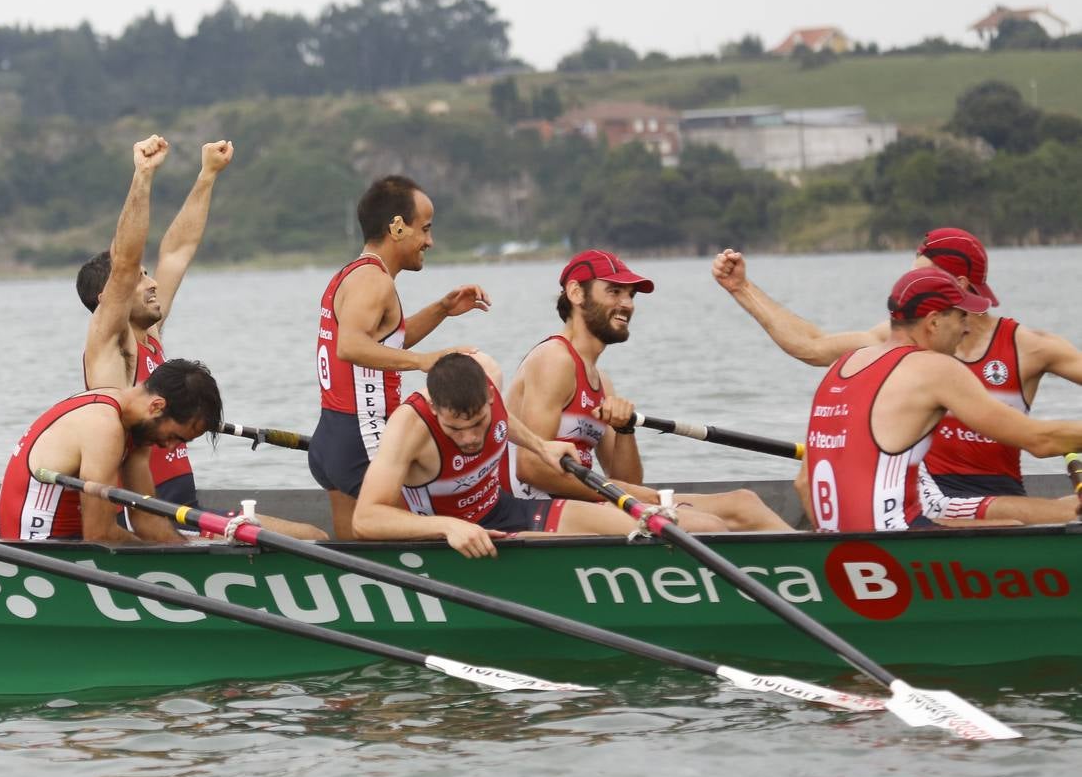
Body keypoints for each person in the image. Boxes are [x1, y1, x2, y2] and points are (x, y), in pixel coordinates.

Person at [714, 227, 1081, 524]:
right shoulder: (898, 350)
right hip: (923, 495)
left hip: (993, 488)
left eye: (919, 274)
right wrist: (743, 289)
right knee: (1028, 520)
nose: (908, 280)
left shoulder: (1030, 347)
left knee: (1031, 517)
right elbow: (810, 345)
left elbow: (807, 482)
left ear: (959, 286)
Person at [503, 250, 792, 532]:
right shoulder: (554, 359)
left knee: (744, 504)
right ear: (577, 293)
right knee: (705, 526)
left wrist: (625, 429)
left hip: (584, 498)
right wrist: (642, 497)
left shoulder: (601, 380)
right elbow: (531, 468)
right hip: (533, 508)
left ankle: (816, 568)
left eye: (630, 295)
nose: (627, 304)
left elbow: (625, 478)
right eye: (614, 292)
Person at [353, 352, 723, 559]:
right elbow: (366, 520)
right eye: (454, 429)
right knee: (585, 551)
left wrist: (539, 444)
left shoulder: (489, 378)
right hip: (458, 543)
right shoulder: (408, 426)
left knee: (677, 528)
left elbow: (503, 419)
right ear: (435, 409)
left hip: (505, 511)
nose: (469, 438)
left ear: (488, 395)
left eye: (479, 422)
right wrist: (447, 526)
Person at [803, 267, 1082, 532]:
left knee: (1009, 525)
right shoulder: (933, 368)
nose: (967, 329)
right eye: (961, 317)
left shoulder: (844, 364)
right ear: (934, 322)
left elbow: (804, 483)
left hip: (838, 539)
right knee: (1015, 527)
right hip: (895, 542)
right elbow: (1040, 440)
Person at [309, 175, 491, 538]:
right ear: (396, 227)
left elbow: (384, 343)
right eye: (424, 229)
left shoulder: (355, 273)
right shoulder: (374, 281)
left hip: (334, 438)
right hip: (366, 436)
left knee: (358, 563)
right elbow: (352, 347)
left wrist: (442, 309)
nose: (430, 241)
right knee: (429, 527)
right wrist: (426, 361)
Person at [78, 134, 231, 508]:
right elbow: (126, 261)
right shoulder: (111, 344)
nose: (153, 283)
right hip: (140, 503)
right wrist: (142, 176)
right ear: (109, 299)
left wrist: (207, 175)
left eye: (149, 275)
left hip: (178, 494)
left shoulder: (150, 332)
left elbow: (178, 251)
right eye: (141, 278)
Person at [0, 359, 221, 543]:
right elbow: (100, 535)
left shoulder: (138, 427)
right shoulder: (104, 426)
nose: (170, 446)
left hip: (71, 541)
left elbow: (147, 521)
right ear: (157, 406)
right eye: (174, 437)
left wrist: (190, 551)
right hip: (38, 546)